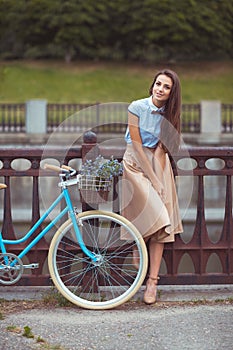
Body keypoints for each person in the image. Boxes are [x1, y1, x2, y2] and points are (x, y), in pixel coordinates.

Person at [122, 69, 183, 304]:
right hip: (135, 163)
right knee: (148, 212)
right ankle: (138, 247)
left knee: (163, 221)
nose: (160, 89)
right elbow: (137, 147)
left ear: (171, 93)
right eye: (158, 84)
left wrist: (159, 180)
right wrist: (153, 180)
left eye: (166, 87)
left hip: (158, 162)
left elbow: (159, 150)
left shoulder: (170, 115)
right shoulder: (136, 107)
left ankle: (152, 282)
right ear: (152, 85)